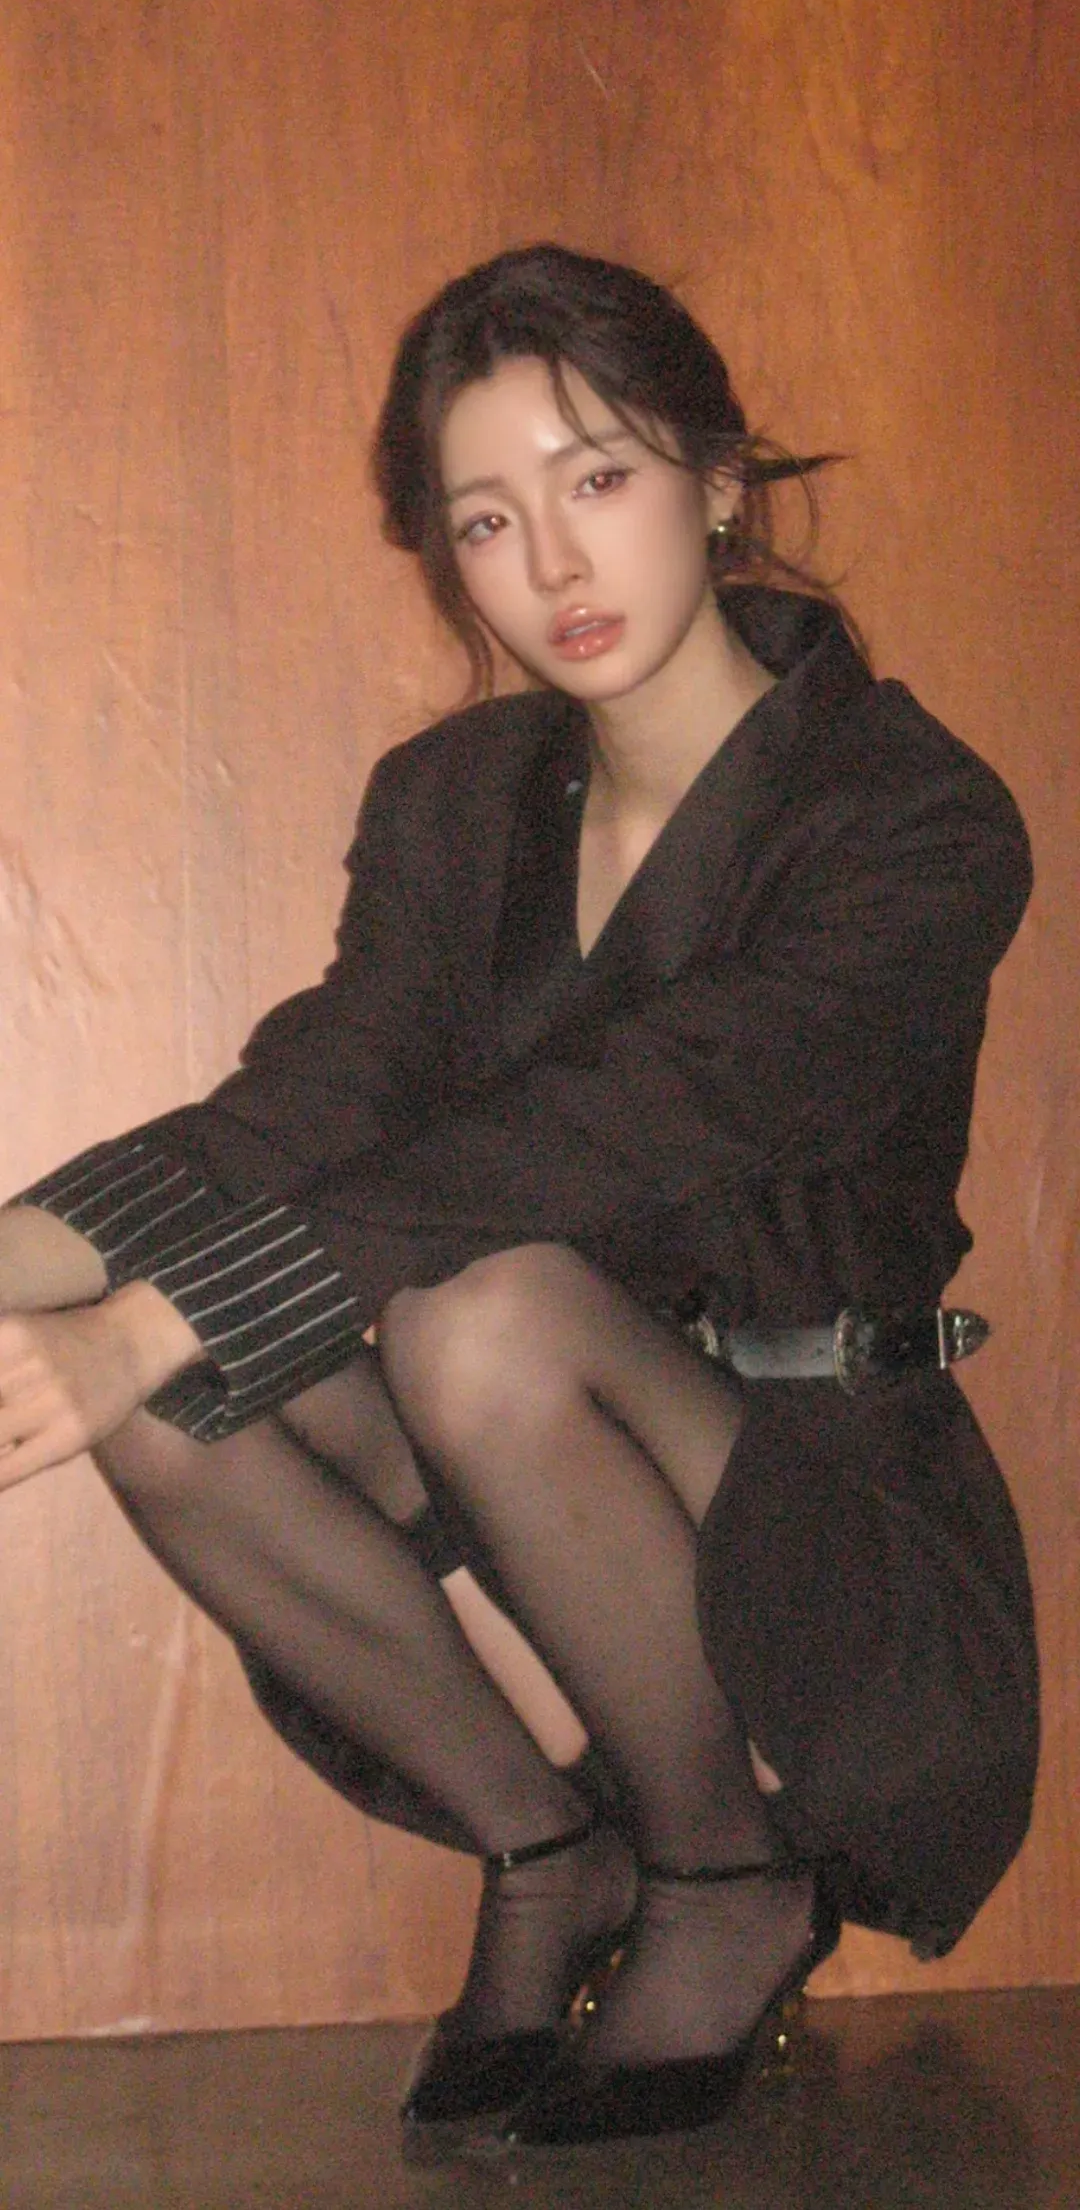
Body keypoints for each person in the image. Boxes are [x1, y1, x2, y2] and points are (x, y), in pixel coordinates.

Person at [0, 246, 1039, 2155]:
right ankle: (550, 1849)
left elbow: (604, 1131)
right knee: (169, 1389)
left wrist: (157, 1310)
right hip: (528, 1457)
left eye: (599, 477)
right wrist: (46, 1290)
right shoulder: (456, 800)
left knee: (471, 1311)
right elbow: (305, 1108)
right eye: (486, 519)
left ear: (716, 480)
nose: (553, 560)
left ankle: (727, 1875)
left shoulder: (911, 819)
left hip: (825, 1505)